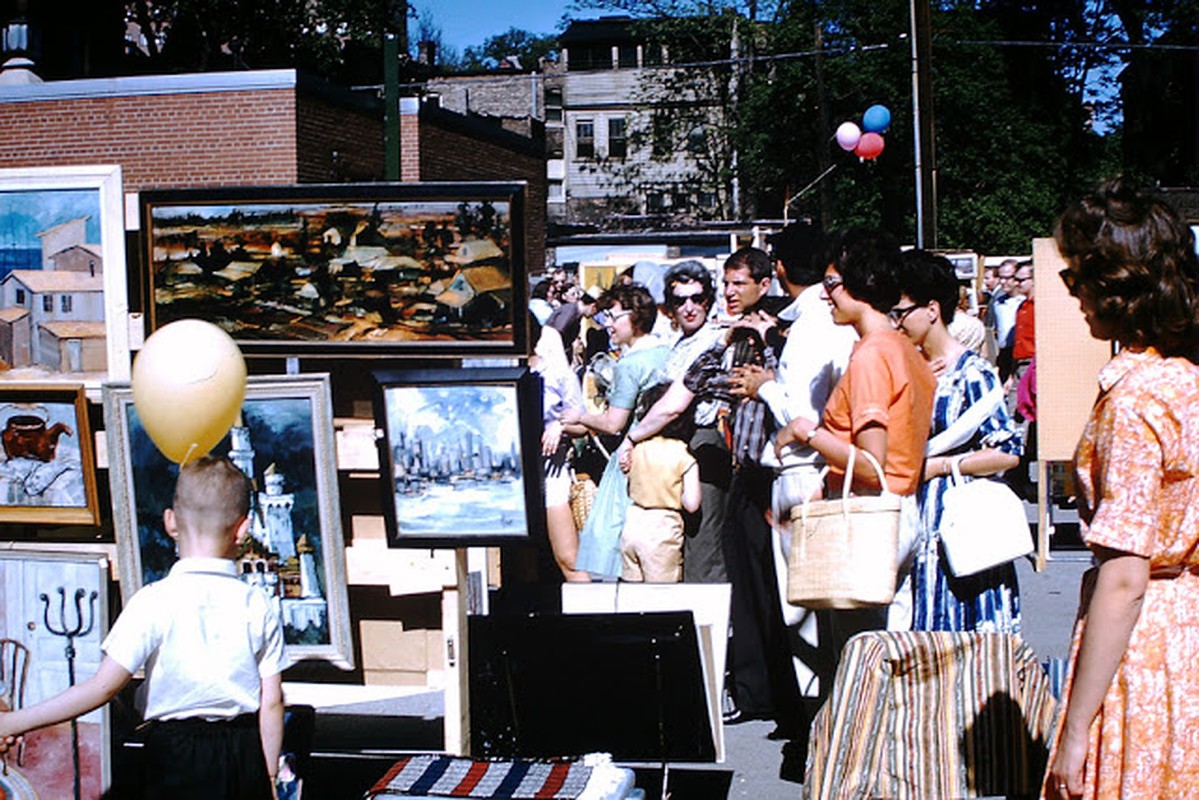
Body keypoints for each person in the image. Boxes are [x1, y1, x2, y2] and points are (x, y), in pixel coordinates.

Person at [0, 455, 287, 799]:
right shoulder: (258, 603)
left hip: (175, 755)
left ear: (170, 522)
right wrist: (268, 776)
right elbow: (272, 701)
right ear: (244, 528)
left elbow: (102, 688)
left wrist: (13, 722)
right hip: (244, 754)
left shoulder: (153, 601)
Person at [1044, 179, 1199, 799]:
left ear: (1115, 289)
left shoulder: (1135, 400)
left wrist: (1076, 728)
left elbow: (1127, 577)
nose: (1073, 295)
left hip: (1147, 647)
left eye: (1076, 278)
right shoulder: (1187, 380)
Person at [774, 228, 935, 645]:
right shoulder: (907, 352)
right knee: (889, 647)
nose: (825, 295)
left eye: (831, 284)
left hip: (868, 514)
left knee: (856, 655)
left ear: (860, 283)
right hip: (902, 509)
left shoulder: (871, 355)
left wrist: (805, 432)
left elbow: (870, 462)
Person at [892, 250, 1023, 633]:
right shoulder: (907, 366)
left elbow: (1007, 452)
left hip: (958, 522)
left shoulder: (973, 373)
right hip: (915, 519)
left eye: (902, 311)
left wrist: (944, 465)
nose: (896, 322)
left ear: (931, 309)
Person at [563, 283, 670, 579]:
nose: (607, 324)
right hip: (665, 455)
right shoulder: (667, 352)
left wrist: (580, 416)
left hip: (631, 457)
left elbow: (613, 423)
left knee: (611, 539)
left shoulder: (630, 364)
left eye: (613, 316)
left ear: (634, 318)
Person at [620, 381, 701, 582]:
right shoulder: (683, 456)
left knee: (633, 592)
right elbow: (692, 504)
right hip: (662, 527)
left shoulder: (637, 450)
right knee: (661, 596)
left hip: (632, 524)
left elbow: (629, 485)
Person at [532, 327, 590, 582]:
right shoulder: (498, 365)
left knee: (569, 560)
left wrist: (560, 425)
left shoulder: (558, 373)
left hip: (551, 471)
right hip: (512, 473)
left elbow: (583, 423)